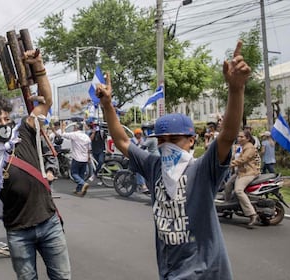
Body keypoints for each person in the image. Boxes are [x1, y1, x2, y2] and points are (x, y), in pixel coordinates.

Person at [96, 41, 251, 279]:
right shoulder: (153, 166)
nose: (166, 145)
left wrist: (236, 90)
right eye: (161, 140)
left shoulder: (202, 170)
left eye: (174, 139)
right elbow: (122, 141)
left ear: (191, 141)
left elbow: (228, 135)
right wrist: (107, 105)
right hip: (170, 272)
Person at [0, 49, 71, 279]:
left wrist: (39, 66)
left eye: (6, 118)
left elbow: (46, 101)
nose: (4, 123)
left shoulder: (24, 131)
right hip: (18, 234)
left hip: (50, 224)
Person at [228, 130, 261, 225]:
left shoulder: (249, 147)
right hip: (240, 172)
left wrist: (231, 164)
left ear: (247, 138)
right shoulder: (242, 147)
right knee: (228, 186)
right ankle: (227, 206)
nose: (239, 138)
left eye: (241, 137)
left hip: (248, 173)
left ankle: (252, 214)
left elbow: (243, 159)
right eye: (238, 136)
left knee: (238, 190)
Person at [60, 121, 91, 196]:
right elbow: (89, 149)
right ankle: (78, 190)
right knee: (81, 175)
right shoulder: (86, 136)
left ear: (76, 128)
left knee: (74, 174)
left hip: (77, 158)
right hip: (84, 159)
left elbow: (63, 134)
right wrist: (88, 157)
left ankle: (83, 184)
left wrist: (63, 126)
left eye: (74, 127)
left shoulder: (75, 135)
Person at [87, 117, 107, 185]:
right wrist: (93, 132)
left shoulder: (101, 132)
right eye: (94, 126)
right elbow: (90, 140)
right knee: (97, 166)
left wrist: (108, 149)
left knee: (100, 162)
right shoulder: (91, 132)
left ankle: (94, 174)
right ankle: (101, 179)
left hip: (101, 150)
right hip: (94, 150)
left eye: (96, 126)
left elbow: (105, 140)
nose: (95, 127)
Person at [131, 128, 149, 193]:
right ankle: (142, 184)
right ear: (135, 134)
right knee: (139, 169)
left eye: (140, 134)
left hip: (143, 156)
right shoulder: (132, 140)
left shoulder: (143, 140)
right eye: (138, 134)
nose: (139, 135)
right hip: (135, 157)